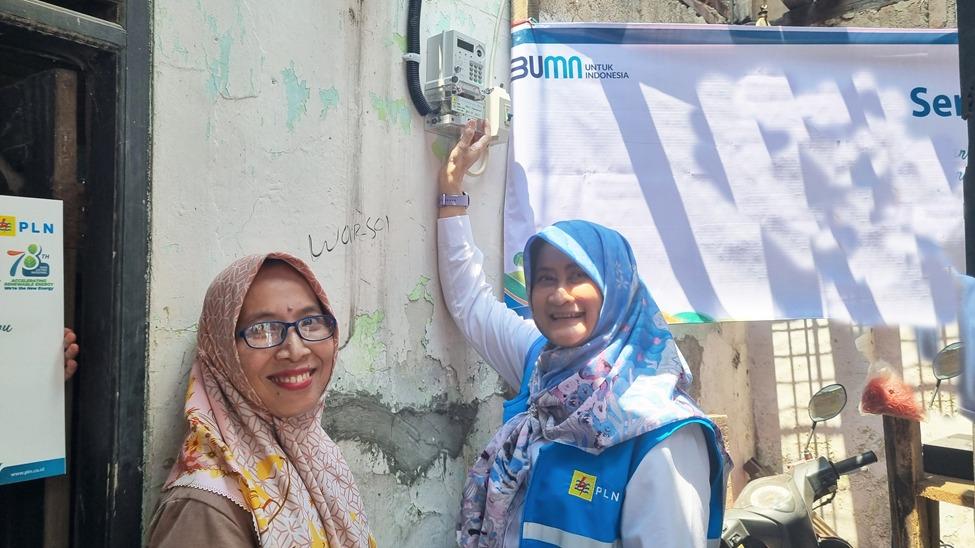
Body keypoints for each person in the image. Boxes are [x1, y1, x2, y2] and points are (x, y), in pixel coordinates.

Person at [438, 122, 729, 547]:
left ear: (616, 287)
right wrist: (451, 188)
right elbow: (471, 303)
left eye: (579, 276)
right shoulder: (541, 365)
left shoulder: (662, 432)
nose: (560, 294)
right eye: (545, 278)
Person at [146, 253, 375, 547]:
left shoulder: (318, 456)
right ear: (223, 353)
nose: (296, 350)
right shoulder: (208, 508)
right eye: (262, 329)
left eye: (310, 322)